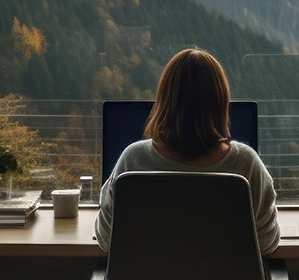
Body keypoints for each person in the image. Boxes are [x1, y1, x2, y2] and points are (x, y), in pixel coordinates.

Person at [95, 48, 279, 256]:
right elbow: (265, 244)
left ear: (164, 100)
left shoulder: (133, 159)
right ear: (220, 102)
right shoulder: (246, 163)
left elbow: (107, 239)